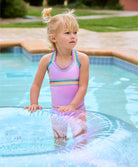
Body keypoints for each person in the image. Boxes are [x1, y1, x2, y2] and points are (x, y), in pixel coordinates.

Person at [25, 8, 89, 113]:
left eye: (75, 32)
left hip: (78, 110)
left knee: (81, 130)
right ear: (53, 38)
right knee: (58, 130)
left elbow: (83, 87)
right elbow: (36, 85)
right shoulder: (47, 60)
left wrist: (72, 106)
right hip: (57, 110)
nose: (73, 36)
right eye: (67, 33)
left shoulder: (82, 59)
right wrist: (34, 103)